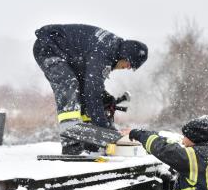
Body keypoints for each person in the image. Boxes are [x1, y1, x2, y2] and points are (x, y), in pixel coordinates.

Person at [33, 24, 148, 154]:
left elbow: (93, 89)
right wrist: (105, 130)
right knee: (68, 84)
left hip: (68, 54)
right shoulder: (103, 52)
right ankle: (71, 141)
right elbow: (92, 94)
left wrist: (105, 101)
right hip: (48, 47)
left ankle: (88, 140)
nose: (127, 68)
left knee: (84, 89)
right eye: (129, 64)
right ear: (126, 55)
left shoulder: (110, 50)